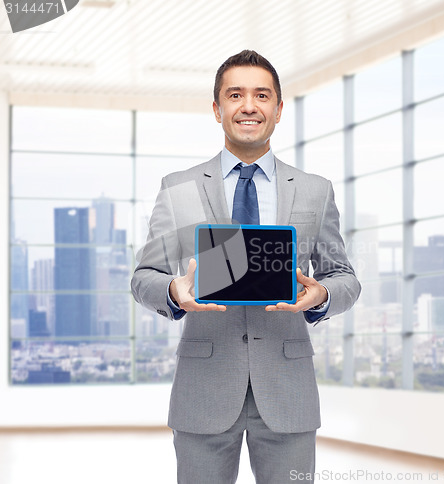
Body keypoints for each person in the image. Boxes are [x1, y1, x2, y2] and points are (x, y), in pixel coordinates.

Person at [131, 50, 361, 484]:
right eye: (235, 95)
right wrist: (174, 293)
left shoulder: (314, 191)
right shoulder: (178, 188)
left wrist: (322, 295)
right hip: (203, 389)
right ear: (217, 109)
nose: (249, 105)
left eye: (261, 95)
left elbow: (343, 275)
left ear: (278, 109)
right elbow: (144, 276)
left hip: (288, 391)